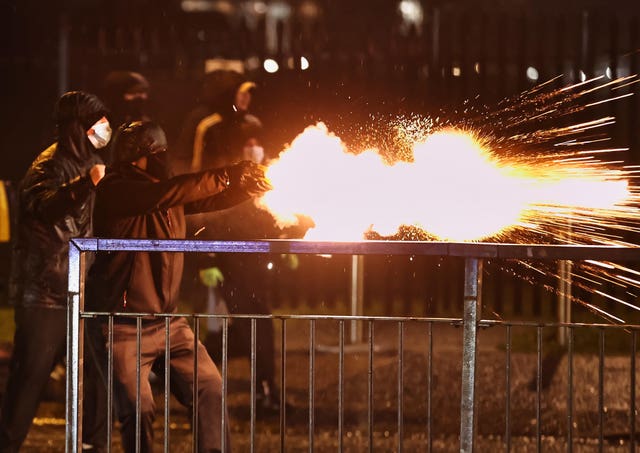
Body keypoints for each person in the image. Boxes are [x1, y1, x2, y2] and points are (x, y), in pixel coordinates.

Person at [86, 120, 270, 452]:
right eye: (158, 153)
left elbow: (204, 198)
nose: (164, 159)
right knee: (138, 410)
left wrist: (249, 186)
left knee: (210, 387)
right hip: (121, 325)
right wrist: (229, 173)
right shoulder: (116, 189)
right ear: (139, 158)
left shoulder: (165, 192)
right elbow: (165, 194)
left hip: (168, 322)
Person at [172, 69, 288, 414]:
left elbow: (264, 177)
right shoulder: (205, 125)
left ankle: (259, 391)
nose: (247, 100)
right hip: (218, 240)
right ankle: (196, 389)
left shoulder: (252, 124)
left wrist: (277, 226)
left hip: (250, 237)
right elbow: (191, 185)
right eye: (241, 93)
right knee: (234, 318)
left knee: (254, 316)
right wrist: (204, 250)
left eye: (249, 93)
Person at [0, 91, 110, 452]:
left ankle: (92, 444)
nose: (102, 128)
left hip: (77, 291)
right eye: (93, 122)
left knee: (98, 374)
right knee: (28, 381)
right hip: (44, 295)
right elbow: (46, 208)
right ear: (76, 128)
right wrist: (85, 184)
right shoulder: (47, 166)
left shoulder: (92, 162)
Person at [99, 70, 151, 165]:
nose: (141, 97)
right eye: (133, 92)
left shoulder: (146, 125)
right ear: (116, 95)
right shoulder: (100, 126)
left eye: (143, 92)